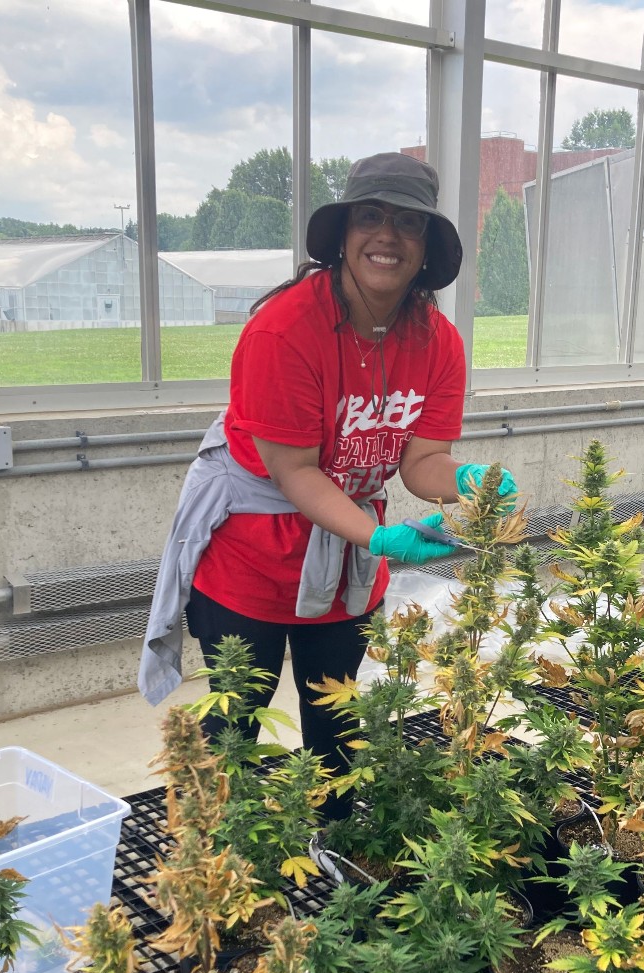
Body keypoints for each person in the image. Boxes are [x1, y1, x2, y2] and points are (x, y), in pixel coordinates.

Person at [139, 151, 516, 812]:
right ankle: (214, 874)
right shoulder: (283, 332)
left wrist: (469, 479)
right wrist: (381, 538)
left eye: (408, 222)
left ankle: (334, 859)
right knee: (236, 728)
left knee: (337, 730)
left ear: (426, 246)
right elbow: (294, 471)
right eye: (370, 217)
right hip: (250, 557)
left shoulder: (439, 343)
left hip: (342, 562)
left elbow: (420, 462)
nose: (387, 235)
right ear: (343, 234)